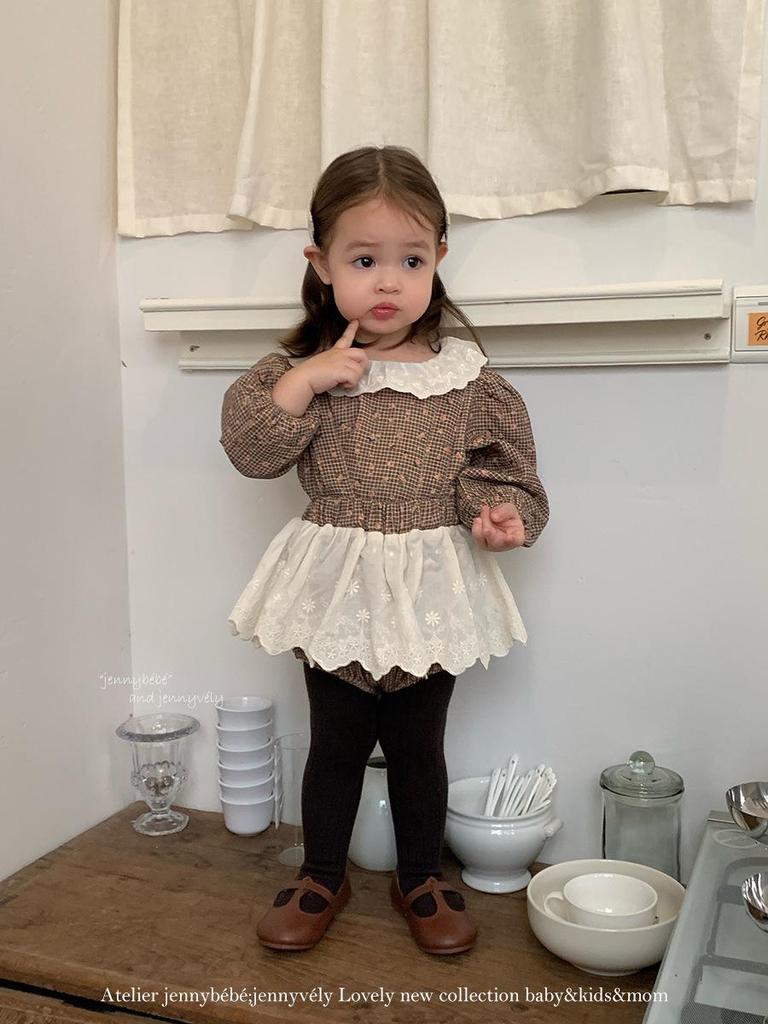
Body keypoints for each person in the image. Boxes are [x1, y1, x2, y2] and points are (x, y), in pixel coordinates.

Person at [219, 145, 549, 956]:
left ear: (439, 258)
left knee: (417, 745)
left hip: (429, 586)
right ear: (321, 264)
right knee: (336, 741)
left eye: (411, 259)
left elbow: (501, 475)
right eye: (364, 260)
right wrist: (309, 379)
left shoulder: (466, 379)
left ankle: (420, 876)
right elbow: (253, 450)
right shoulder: (298, 371)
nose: (388, 282)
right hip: (335, 584)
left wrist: (500, 517)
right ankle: (321, 873)